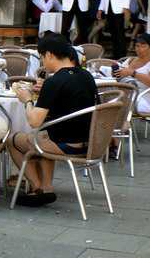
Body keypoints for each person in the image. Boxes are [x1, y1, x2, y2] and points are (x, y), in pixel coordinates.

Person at [7, 33, 98, 207]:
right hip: (90, 141)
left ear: (49, 54)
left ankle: (37, 187)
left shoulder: (55, 80)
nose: (42, 62)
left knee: (12, 140)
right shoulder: (86, 76)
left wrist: (26, 99)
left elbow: (34, 120)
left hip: (66, 144)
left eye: (41, 57)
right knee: (43, 134)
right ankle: (47, 188)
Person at [114, 33, 150, 116]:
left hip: (143, 100)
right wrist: (116, 73)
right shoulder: (130, 60)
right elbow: (120, 76)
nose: (139, 49)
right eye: (137, 46)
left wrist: (133, 73)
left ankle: (123, 126)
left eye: (143, 46)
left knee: (114, 104)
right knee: (104, 100)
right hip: (125, 95)